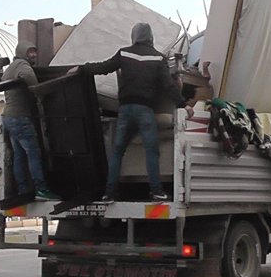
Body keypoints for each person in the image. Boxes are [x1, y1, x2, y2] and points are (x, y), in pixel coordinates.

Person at [71, 23, 194, 202]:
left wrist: (81, 69)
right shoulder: (158, 59)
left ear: (134, 36)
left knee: (118, 151)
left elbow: (103, 67)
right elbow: (168, 86)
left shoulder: (124, 53)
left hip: (125, 111)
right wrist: (183, 105)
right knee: (152, 151)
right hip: (145, 111)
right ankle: (156, 191)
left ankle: (110, 193)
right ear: (151, 37)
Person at [1, 41, 60, 200]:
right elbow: (32, 83)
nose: (33, 55)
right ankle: (41, 189)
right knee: (33, 153)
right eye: (30, 52)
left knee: (19, 155)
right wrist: (43, 92)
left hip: (9, 117)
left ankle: (23, 189)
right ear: (22, 53)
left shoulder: (11, 68)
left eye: (34, 52)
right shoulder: (23, 66)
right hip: (20, 118)